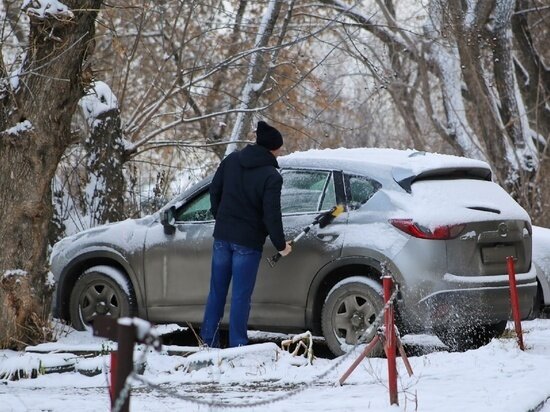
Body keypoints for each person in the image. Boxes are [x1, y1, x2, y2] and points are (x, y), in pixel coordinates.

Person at [200, 120, 292, 348]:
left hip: (222, 238)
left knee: (216, 292)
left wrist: (220, 216)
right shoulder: (272, 176)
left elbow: (215, 190)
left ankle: (207, 342)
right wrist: (281, 245)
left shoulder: (231, 161)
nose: (280, 151)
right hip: (248, 244)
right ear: (273, 148)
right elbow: (272, 215)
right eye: (279, 147)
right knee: (240, 297)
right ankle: (237, 346)